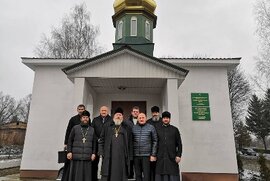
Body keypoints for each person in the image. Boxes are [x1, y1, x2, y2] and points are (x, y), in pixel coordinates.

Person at [98, 107, 133, 181]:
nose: (118, 116)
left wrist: (130, 155)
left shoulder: (127, 127)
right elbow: (101, 140)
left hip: (123, 156)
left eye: (120, 115)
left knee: (122, 173)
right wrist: (101, 152)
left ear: (122, 117)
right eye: (117, 115)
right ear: (113, 116)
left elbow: (130, 142)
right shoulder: (107, 126)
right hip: (109, 155)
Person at [67, 110, 97, 181]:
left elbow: (94, 143)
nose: (85, 119)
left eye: (87, 117)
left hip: (87, 156)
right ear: (81, 118)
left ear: (89, 118)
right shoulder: (75, 128)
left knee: (86, 176)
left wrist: (93, 153)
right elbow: (70, 140)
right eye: (84, 117)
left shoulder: (92, 129)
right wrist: (69, 151)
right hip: (76, 156)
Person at [155, 111, 182, 181]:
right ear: (162, 119)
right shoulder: (157, 129)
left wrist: (179, 155)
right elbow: (155, 143)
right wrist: (154, 155)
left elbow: (179, 144)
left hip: (172, 157)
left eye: (167, 118)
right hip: (160, 157)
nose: (165, 119)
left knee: (173, 176)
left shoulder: (175, 130)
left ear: (169, 119)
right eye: (164, 118)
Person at [62, 104, 86, 181]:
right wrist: (66, 143)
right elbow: (68, 131)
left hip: (83, 144)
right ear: (77, 110)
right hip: (73, 143)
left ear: (84, 110)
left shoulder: (87, 119)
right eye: (79, 109)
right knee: (70, 161)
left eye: (82, 109)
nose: (81, 110)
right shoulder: (73, 119)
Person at [132, 113, 158, 181]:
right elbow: (131, 141)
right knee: (137, 175)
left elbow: (155, 141)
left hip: (147, 156)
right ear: (137, 119)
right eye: (140, 118)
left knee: (147, 175)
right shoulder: (133, 128)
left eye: (143, 117)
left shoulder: (151, 127)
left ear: (146, 118)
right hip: (136, 155)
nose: (141, 119)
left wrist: (153, 154)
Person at [91, 106, 112, 181]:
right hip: (96, 145)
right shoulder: (95, 120)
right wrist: (98, 139)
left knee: (106, 162)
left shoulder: (111, 120)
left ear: (108, 111)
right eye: (102, 110)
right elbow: (92, 131)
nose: (104, 112)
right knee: (94, 163)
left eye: (105, 110)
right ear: (100, 111)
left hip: (107, 145)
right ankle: (94, 178)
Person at [147, 106, 162, 181]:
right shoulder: (148, 122)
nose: (155, 114)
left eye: (156, 112)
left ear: (158, 113)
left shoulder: (163, 121)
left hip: (161, 149)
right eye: (153, 113)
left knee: (160, 168)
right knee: (151, 168)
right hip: (151, 149)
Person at [127, 106, 140, 178]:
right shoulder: (127, 122)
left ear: (139, 113)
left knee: (138, 166)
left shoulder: (142, 120)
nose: (135, 113)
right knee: (130, 165)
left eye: (137, 112)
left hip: (139, 147)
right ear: (132, 112)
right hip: (130, 147)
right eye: (134, 111)